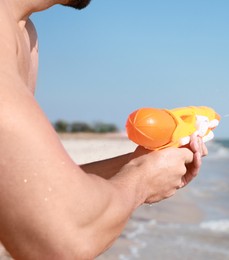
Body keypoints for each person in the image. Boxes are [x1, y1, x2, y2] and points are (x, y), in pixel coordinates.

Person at [0, 0, 207, 259]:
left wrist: (140, 162)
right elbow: (60, 243)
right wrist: (142, 179)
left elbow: (29, 193)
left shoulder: (24, 33)